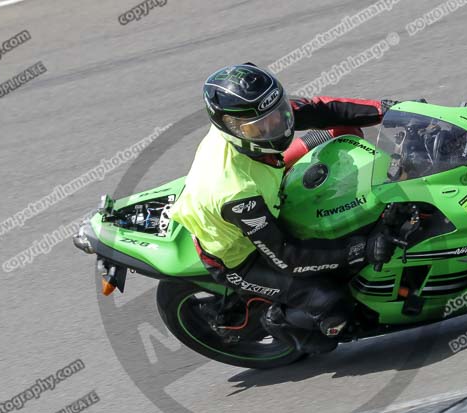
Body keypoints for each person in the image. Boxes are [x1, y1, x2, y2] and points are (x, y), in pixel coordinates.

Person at [170, 63, 397, 353]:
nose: (275, 127)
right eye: (260, 127)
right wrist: (360, 249)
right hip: (243, 258)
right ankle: (279, 322)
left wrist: (390, 110)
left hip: (269, 178)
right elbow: (286, 256)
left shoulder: (258, 115)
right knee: (331, 303)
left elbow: (320, 109)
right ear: (232, 129)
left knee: (344, 130)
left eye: (278, 114)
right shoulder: (236, 193)